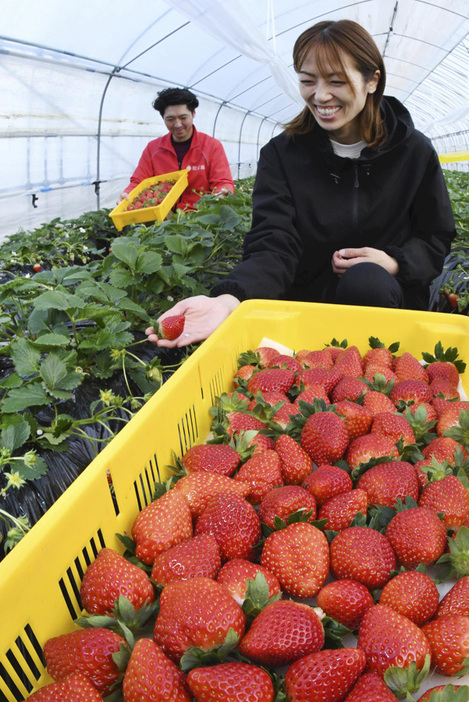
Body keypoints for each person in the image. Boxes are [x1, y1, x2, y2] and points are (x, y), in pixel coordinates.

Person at [146, 19, 456, 348]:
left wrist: (394, 262)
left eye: (336, 81)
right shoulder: (282, 155)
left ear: (371, 80)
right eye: (307, 81)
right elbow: (274, 244)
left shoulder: (413, 152)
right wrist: (228, 299)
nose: (320, 95)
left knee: (366, 282)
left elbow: (434, 235)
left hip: (386, 304)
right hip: (306, 308)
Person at [119, 87, 235, 210]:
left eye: (183, 117)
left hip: (200, 216)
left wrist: (222, 193)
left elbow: (222, 181)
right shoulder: (153, 148)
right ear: (163, 118)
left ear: (193, 113)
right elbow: (138, 181)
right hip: (162, 218)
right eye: (170, 119)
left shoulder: (211, 146)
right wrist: (128, 193)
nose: (177, 124)